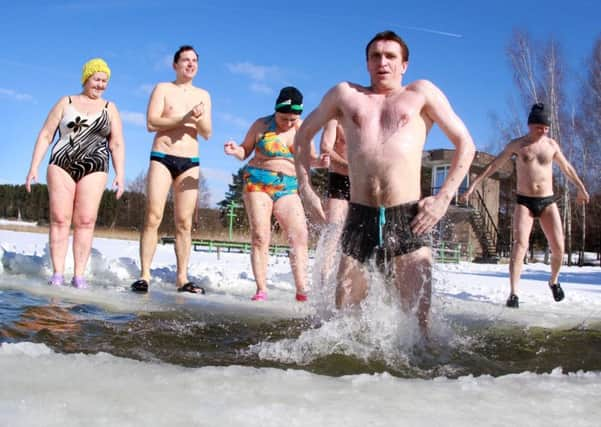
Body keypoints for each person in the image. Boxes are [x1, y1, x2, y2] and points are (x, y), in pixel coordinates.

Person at [294, 31, 475, 334]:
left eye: (391, 56)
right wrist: (305, 189)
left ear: (404, 64)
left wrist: (444, 198)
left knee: (419, 328)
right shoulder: (346, 95)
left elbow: (465, 143)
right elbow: (302, 136)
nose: (383, 62)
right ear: (366, 63)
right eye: (375, 56)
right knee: (343, 327)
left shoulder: (421, 92)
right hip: (359, 217)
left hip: (407, 219)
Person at [462, 103, 590, 308]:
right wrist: (472, 186)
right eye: (540, 127)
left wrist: (581, 188)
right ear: (531, 125)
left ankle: (554, 281)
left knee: (559, 248)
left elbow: (567, 167)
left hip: (547, 201)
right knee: (520, 245)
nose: (544, 131)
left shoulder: (551, 145)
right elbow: (494, 165)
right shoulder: (517, 145)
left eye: (546, 128)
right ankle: (513, 293)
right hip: (525, 201)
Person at [25, 58, 125, 288]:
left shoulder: (110, 108)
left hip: (96, 165)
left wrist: (120, 173)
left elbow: (117, 143)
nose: (100, 85)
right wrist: (33, 167)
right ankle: (58, 274)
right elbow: (46, 135)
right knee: (60, 218)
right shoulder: (66, 102)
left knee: (86, 220)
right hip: (61, 162)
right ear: (86, 78)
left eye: (105, 81)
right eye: (97, 79)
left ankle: (79, 276)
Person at [224, 87, 325, 302]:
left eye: (292, 119)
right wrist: (236, 150)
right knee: (261, 235)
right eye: (283, 118)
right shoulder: (261, 125)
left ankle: (301, 290)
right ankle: (261, 289)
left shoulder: (302, 129)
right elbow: (245, 150)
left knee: (299, 235)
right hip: (258, 183)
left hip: (288, 186)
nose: (287, 123)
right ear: (276, 111)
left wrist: (321, 162)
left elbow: (310, 159)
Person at [130, 45, 212, 294]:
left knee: (184, 222)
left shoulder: (204, 95)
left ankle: (182, 278)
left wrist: (197, 118)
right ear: (175, 65)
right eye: (185, 60)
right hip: (162, 156)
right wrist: (184, 117)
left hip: (190, 161)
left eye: (195, 60)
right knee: (154, 215)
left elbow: (207, 133)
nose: (190, 64)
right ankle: (144, 275)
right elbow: (151, 122)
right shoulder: (163, 89)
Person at [318, 119, 349, 282]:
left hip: (365, 181)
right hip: (340, 178)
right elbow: (325, 148)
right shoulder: (335, 119)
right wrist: (350, 166)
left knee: (362, 233)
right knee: (333, 230)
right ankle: (323, 281)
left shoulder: (371, 115)